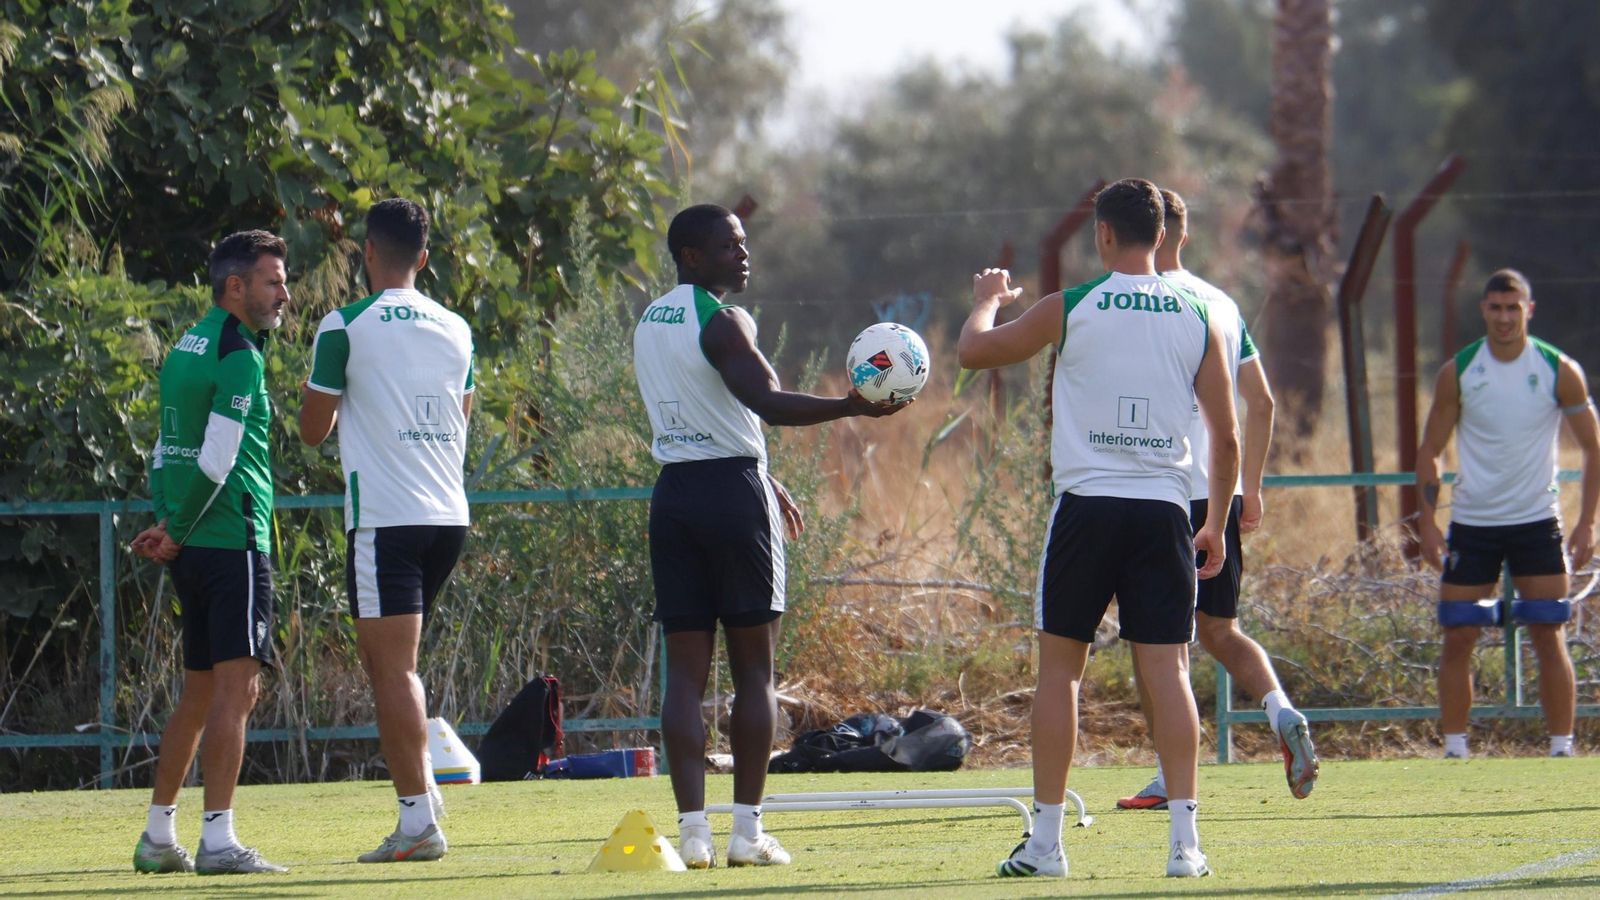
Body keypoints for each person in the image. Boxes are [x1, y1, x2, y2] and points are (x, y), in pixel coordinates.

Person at [957, 178, 1238, 880]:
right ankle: (1185, 848)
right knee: (1169, 672)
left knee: (1062, 674)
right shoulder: (1201, 313)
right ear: (1163, 235)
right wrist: (1219, 523)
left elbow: (974, 353)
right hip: (1166, 512)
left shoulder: (1071, 306)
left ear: (1104, 234)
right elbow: (1227, 438)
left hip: (1085, 507)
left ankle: (1047, 846)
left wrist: (988, 298)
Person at [633, 204, 909, 869]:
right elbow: (768, 402)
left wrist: (765, 473)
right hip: (731, 498)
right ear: (691, 257)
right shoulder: (722, 321)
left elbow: (710, 413)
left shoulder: (649, 319)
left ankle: (693, 833)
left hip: (674, 496)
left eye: (744, 243)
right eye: (729, 245)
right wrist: (851, 404)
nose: (743, 254)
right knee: (755, 673)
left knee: (685, 678)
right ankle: (746, 834)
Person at [1118, 189, 1318, 811]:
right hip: (1220, 492)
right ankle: (1281, 710)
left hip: (1161, 488)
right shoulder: (1224, 305)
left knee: (1157, 644)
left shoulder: (1139, 299)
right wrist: (1248, 487)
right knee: (1222, 631)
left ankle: (1167, 775)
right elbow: (1262, 403)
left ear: (1148, 233)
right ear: (1184, 234)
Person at [299, 199, 475, 862]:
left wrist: (354, 411)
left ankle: (416, 824)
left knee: (394, 670)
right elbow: (459, 414)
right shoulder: (457, 328)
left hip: (386, 519)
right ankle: (425, 794)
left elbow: (314, 429)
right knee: (388, 665)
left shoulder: (342, 326)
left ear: (366, 252)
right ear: (423, 258)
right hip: (446, 517)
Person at [129, 230, 292, 875]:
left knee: (198, 694)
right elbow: (218, 458)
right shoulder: (237, 354)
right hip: (231, 541)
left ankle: (157, 837)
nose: (283, 292)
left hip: (194, 545)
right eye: (272, 280)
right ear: (236, 286)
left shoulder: (183, 348)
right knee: (237, 691)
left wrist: (170, 521)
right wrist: (179, 528)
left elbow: (163, 450)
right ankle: (219, 840)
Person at [1416, 268, 1599, 760]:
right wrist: (1429, 525)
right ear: (1484, 310)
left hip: (1537, 521)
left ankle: (1562, 748)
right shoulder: (1461, 370)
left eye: (1513, 308)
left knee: (1548, 626)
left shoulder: (1558, 368)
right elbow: (1431, 448)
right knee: (1459, 631)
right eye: (1495, 307)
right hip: (1473, 524)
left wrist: (1587, 522)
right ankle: (1456, 750)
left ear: (1529, 310)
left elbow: (1593, 446)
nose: (1504, 317)